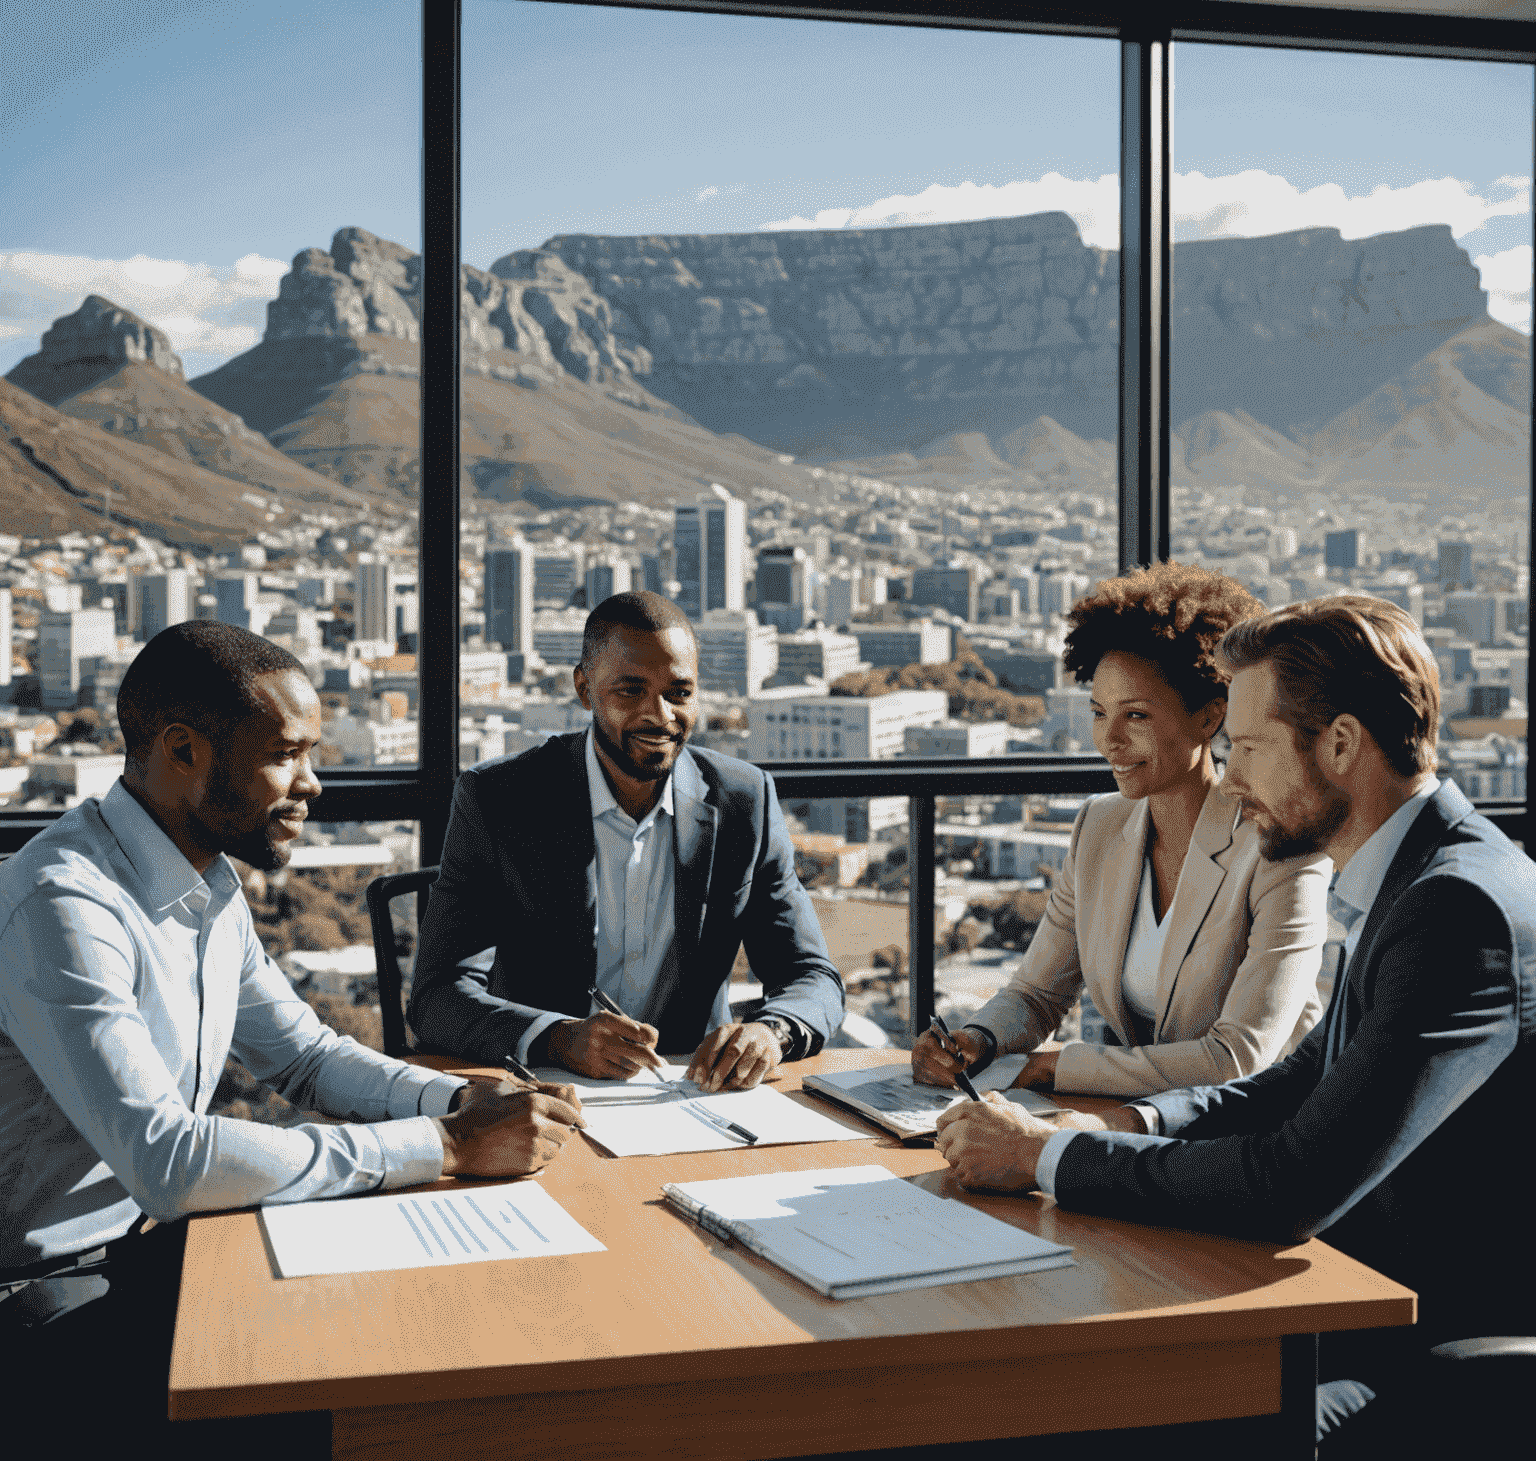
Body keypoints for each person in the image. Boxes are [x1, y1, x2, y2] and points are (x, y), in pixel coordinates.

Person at [934, 595, 1536, 1449]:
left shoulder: (1455, 908)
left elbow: (1293, 1186)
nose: (1235, 776)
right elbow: (1297, 1080)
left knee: (1102, 1406)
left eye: (1249, 748)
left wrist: (1047, 1155)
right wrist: (1131, 1120)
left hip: (1424, 1349)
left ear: (1340, 744)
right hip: (1355, 1293)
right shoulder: (1422, 876)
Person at [0, 622, 583, 1456]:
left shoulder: (204, 877)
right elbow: (167, 1162)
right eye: (286, 756)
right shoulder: (65, 906)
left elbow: (304, 1056)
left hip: (145, 1252)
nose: (313, 784)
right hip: (41, 1297)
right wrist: (445, 1145)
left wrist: (459, 1097)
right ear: (182, 750)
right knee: (342, 1396)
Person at [914, 561, 1328, 1099]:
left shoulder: (1280, 848)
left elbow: (1237, 1058)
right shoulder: (1099, 827)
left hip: (1261, 1132)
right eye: (1098, 712)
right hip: (1145, 1120)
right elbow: (1039, 993)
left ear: (1208, 719)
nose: (1109, 739)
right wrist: (978, 1040)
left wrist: (1047, 1070)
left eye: (1135, 716)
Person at [410, 590, 845, 1090]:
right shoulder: (499, 799)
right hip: (542, 1090)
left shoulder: (743, 801)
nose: (658, 715)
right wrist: (558, 1038)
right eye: (630, 691)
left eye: (679, 693)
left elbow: (813, 976)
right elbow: (437, 997)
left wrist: (773, 1032)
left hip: (692, 1091)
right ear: (584, 688)